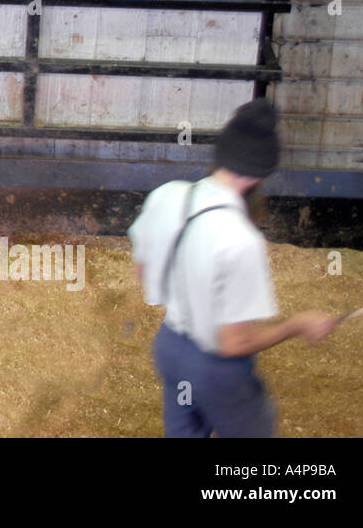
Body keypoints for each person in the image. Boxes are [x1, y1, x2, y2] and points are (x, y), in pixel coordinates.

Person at [128, 99, 338, 437]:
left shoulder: (168, 195)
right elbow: (232, 343)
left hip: (170, 348)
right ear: (261, 173)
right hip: (214, 370)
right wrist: (298, 324)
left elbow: (142, 270)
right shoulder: (241, 239)